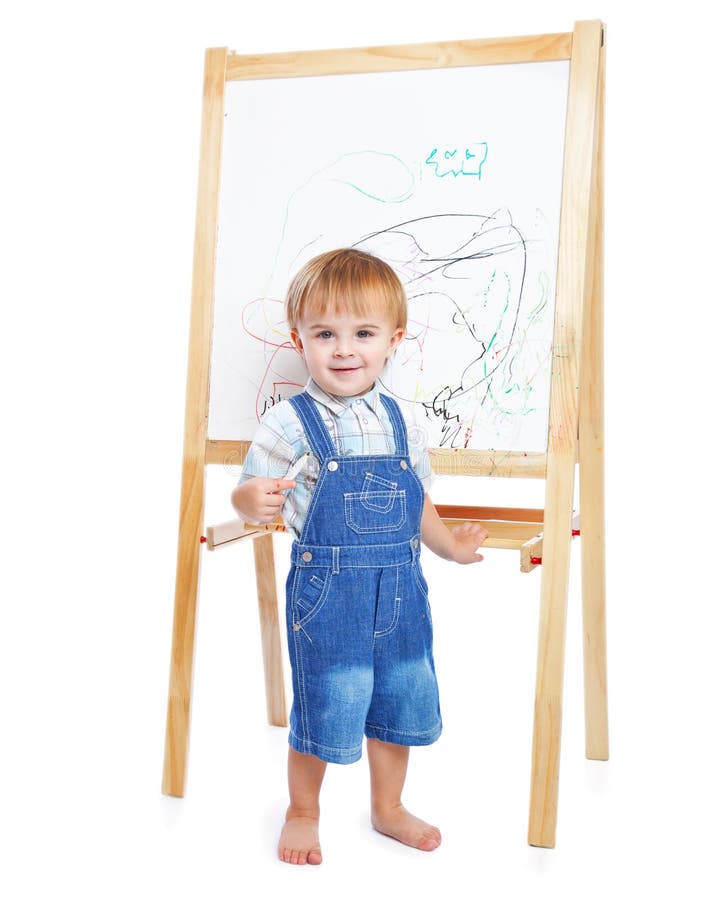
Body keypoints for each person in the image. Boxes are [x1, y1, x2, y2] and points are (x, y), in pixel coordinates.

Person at [231, 248, 488, 865]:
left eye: (363, 334)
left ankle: (389, 807)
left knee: (399, 694)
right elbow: (248, 489)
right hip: (328, 591)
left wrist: (450, 547)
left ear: (393, 339)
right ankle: (303, 810)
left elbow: (415, 498)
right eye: (326, 334)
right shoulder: (289, 421)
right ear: (301, 339)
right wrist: (251, 501)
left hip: (402, 589)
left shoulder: (404, 420)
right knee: (328, 697)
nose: (344, 350)